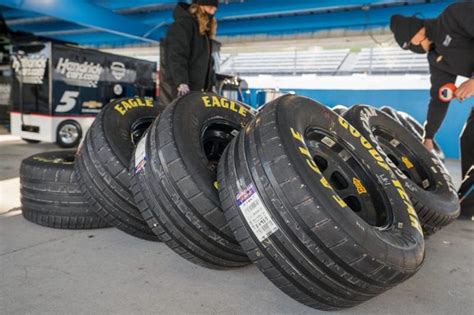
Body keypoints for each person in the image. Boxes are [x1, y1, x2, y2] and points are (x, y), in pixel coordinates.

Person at [389, 2, 474, 160]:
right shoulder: (436, 59)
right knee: (469, 138)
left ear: (416, 32)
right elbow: (439, 98)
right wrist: (428, 136)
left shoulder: (453, 16)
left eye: (409, 45)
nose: (412, 49)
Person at [159, 0, 218, 106]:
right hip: (182, 89)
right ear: (199, 7)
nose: (212, 13)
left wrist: (212, 84)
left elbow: (209, 62)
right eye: (210, 8)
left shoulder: (203, 32)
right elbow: (176, 55)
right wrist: (181, 82)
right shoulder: (183, 26)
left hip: (199, 91)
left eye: (214, 9)